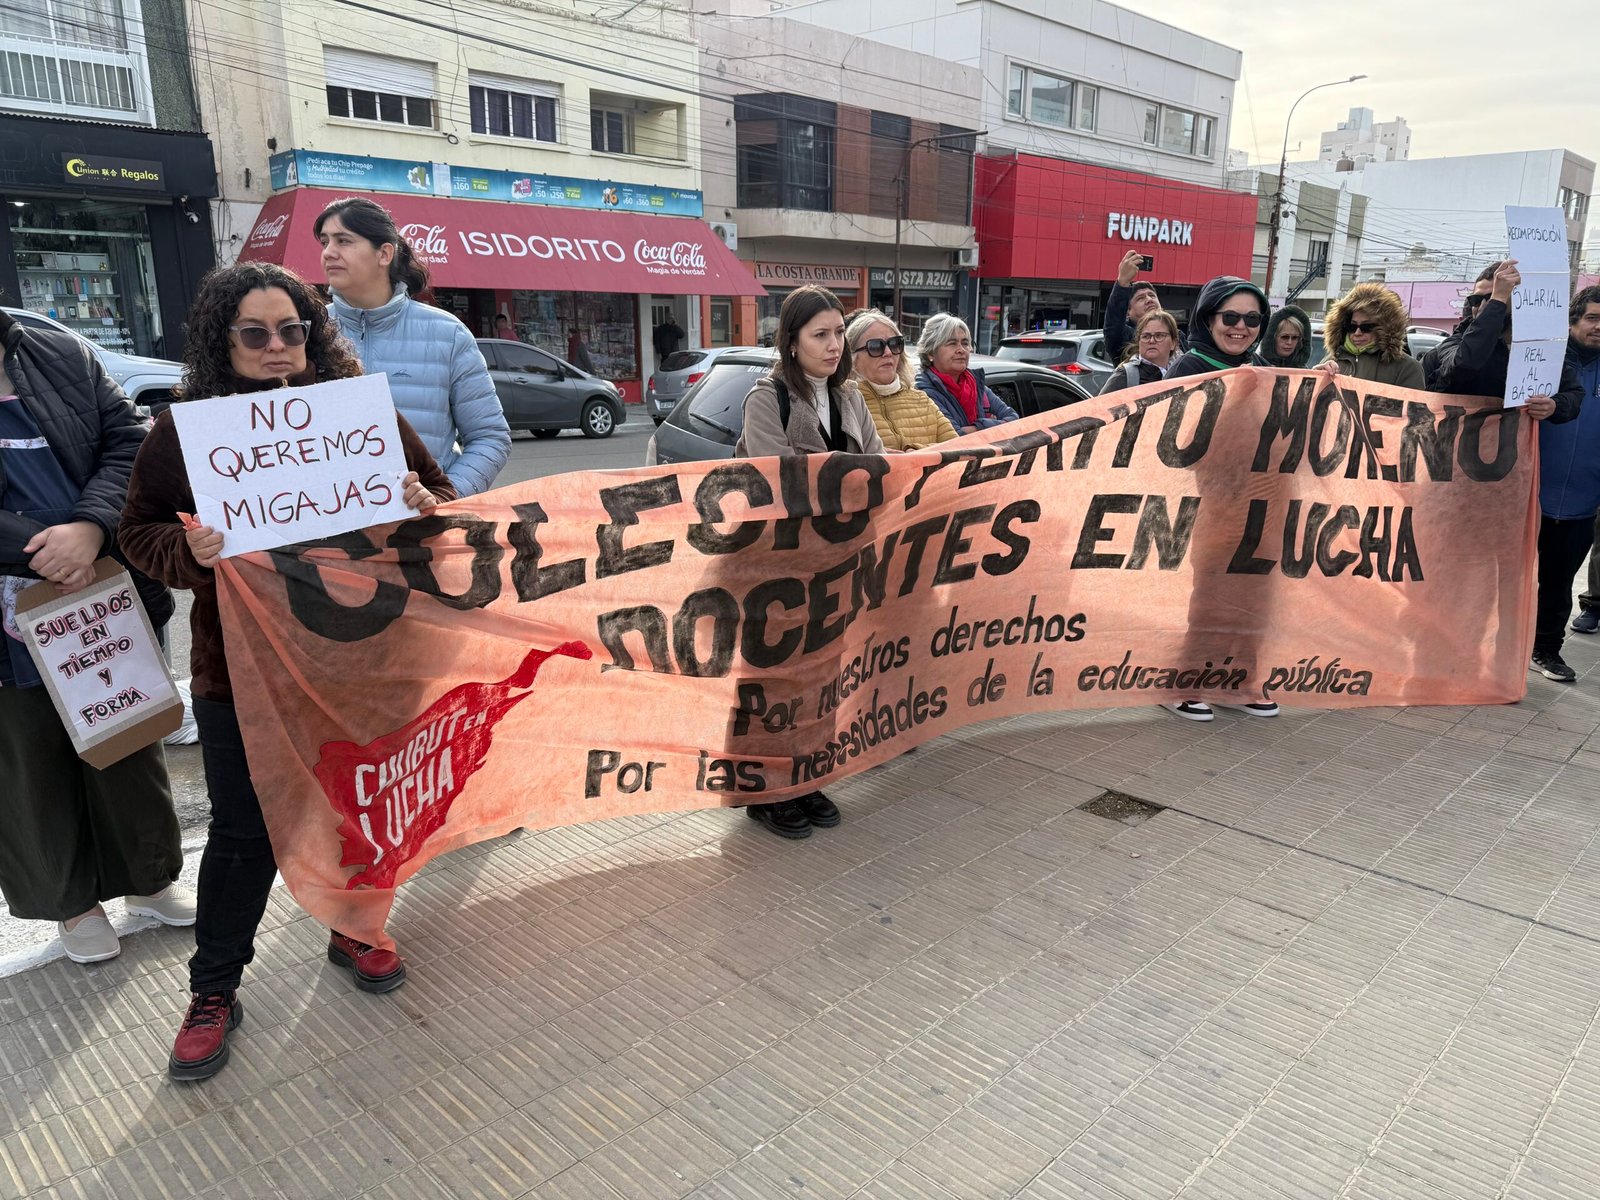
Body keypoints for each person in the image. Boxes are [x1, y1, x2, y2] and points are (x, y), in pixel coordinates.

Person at [120, 263, 455, 1081]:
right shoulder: (186, 432)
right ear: (222, 341)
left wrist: (423, 500)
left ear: (313, 333)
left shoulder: (358, 414)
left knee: (357, 803)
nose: (277, 347)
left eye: (292, 330)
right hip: (243, 672)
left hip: (363, 658)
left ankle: (355, 927)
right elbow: (138, 534)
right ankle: (214, 989)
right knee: (243, 833)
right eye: (255, 333)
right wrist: (190, 551)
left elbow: (441, 501)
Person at [0, 308, 195, 966]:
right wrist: (41, 551)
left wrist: (89, 528)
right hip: (12, 608)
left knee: (126, 736)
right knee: (29, 759)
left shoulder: (60, 352)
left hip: (99, 587)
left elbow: (128, 442)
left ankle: (149, 880)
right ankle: (71, 904)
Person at [734, 285, 883, 840]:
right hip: (775, 566)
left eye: (839, 333)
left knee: (822, 675)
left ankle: (807, 775)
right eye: (820, 334)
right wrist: (848, 478)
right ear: (791, 342)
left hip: (836, 563)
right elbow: (781, 481)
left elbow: (878, 467)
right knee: (773, 679)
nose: (834, 344)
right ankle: (764, 790)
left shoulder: (850, 399)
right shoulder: (765, 399)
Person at [1422, 261, 1583, 681]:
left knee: (1504, 578)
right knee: (1451, 572)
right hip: (1454, 488)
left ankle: (1498, 658)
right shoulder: (1455, 344)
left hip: (1509, 489)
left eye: (1491, 298)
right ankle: (1438, 653)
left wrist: (1555, 405)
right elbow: (1464, 367)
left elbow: (1572, 393)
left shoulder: (1541, 351)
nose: (1479, 306)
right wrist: (1496, 301)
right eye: (1476, 298)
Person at [314, 196, 509, 497]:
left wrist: (446, 496)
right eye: (325, 242)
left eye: (344, 240)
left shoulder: (447, 334)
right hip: (332, 518)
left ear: (384, 254)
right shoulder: (307, 333)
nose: (328, 252)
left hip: (424, 522)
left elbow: (490, 437)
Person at [1526, 287, 1600, 673]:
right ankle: (1498, 649)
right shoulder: (1541, 360)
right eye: (1592, 318)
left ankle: (1546, 650)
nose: (1599, 327)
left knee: (1558, 584)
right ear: (1572, 322)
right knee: (1508, 581)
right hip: (1526, 497)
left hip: (1581, 503)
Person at [846, 309, 957, 450]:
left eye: (894, 344)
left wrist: (915, 453)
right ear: (853, 358)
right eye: (876, 346)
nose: (888, 352)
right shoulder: (845, 403)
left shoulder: (922, 400)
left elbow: (957, 448)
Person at [916, 313, 1018, 432]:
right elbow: (955, 435)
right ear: (930, 353)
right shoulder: (923, 394)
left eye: (965, 343)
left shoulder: (977, 386)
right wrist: (993, 424)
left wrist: (977, 427)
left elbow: (1014, 420)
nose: (961, 350)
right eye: (952, 343)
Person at [1322, 284, 1425, 389]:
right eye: (1352, 326)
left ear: (1385, 328)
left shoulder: (1406, 368)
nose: (1357, 332)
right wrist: (1315, 377)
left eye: (1366, 327)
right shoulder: (1331, 362)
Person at [1166, 276, 1271, 379]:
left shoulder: (1263, 368)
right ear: (1209, 321)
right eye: (1230, 316)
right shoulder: (1184, 372)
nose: (1240, 326)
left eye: (1252, 318)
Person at [1570, 288, 1600, 637]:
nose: (1598, 327)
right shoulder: (1549, 361)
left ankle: (1594, 604)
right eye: (1592, 318)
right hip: (1551, 489)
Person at [1099, 309, 1180, 394]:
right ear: (1139, 341)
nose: (1152, 341)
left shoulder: (1181, 374)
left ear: (1173, 343)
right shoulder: (1124, 376)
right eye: (1146, 336)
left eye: (1159, 335)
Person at [1103, 250, 1162, 364]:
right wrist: (1123, 281)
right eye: (1140, 298)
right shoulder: (1125, 338)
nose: (1149, 300)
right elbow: (1113, 324)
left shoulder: (1177, 335)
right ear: (1128, 312)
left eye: (1151, 295)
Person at [1252, 304, 1314, 370]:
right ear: (1273, 339)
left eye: (1294, 338)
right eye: (1284, 337)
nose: (1289, 342)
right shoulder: (1255, 367)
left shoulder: (1303, 372)